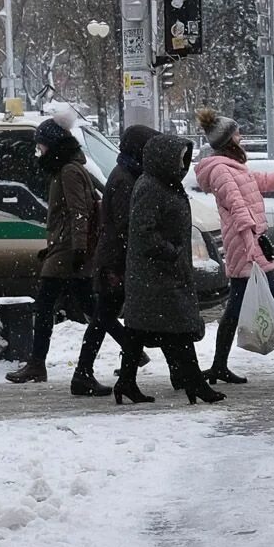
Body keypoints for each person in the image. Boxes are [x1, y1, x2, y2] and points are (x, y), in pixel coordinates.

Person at [5, 108, 135, 394]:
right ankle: (131, 348)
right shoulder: (66, 168)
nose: (38, 151)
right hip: (64, 248)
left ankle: (37, 364)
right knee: (92, 308)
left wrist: (76, 249)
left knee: (45, 306)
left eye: (41, 145)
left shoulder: (68, 171)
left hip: (67, 251)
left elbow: (80, 212)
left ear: (52, 145)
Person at [193, 108, 274, 384]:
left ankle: (222, 366)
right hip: (247, 246)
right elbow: (238, 208)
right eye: (238, 133)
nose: (242, 137)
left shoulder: (233, 168)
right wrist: (251, 245)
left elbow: (266, 182)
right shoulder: (221, 170)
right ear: (229, 140)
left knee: (237, 309)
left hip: (248, 245)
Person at [123, 133, 223, 405]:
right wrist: (171, 252)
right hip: (156, 273)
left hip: (160, 272)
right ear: (163, 159)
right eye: (178, 158)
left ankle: (127, 382)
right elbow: (143, 232)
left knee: (141, 330)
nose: (182, 164)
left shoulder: (164, 184)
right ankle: (196, 384)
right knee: (176, 329)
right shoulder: (151, 187)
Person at [94, 124, 158, 405]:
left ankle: (93, 374)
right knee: (118, 318)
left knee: (106, 317)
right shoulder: (126, 179)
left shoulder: (127, 174)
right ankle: (125, 374)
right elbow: (123, 226)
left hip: (117, 258)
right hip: (118, 260)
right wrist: (119, 267)